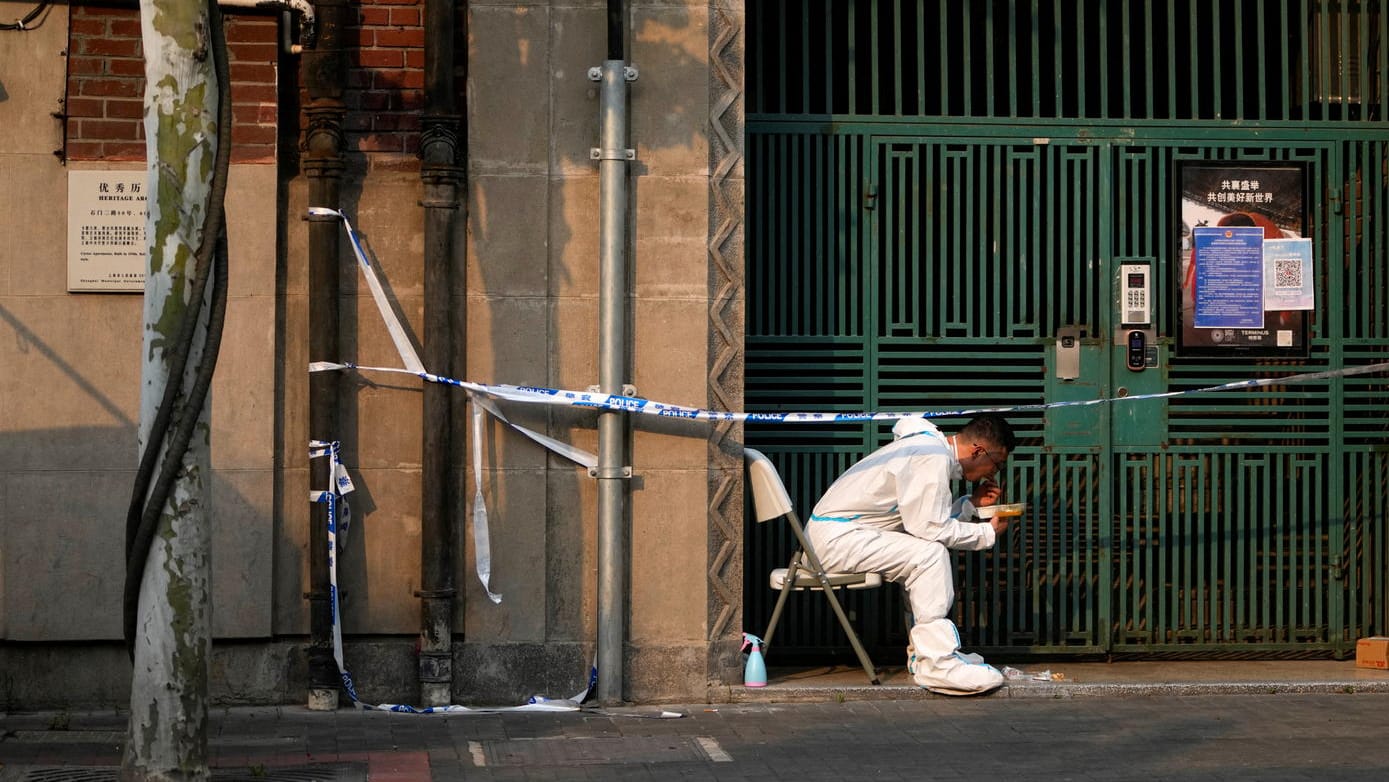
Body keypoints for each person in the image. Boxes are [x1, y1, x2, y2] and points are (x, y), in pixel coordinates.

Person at [807, 412, 1017, 695]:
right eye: (997, 464)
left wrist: (969, 505)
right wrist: (987, 534)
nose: (994, 473)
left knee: (925, 551)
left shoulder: (929, 450)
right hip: (835, 540)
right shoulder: (931, 457)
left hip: (839, 535)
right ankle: (937, 663)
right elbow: (930, 528)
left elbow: (919, 521)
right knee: (929, 555)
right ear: (979, 451)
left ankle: (925, 655)